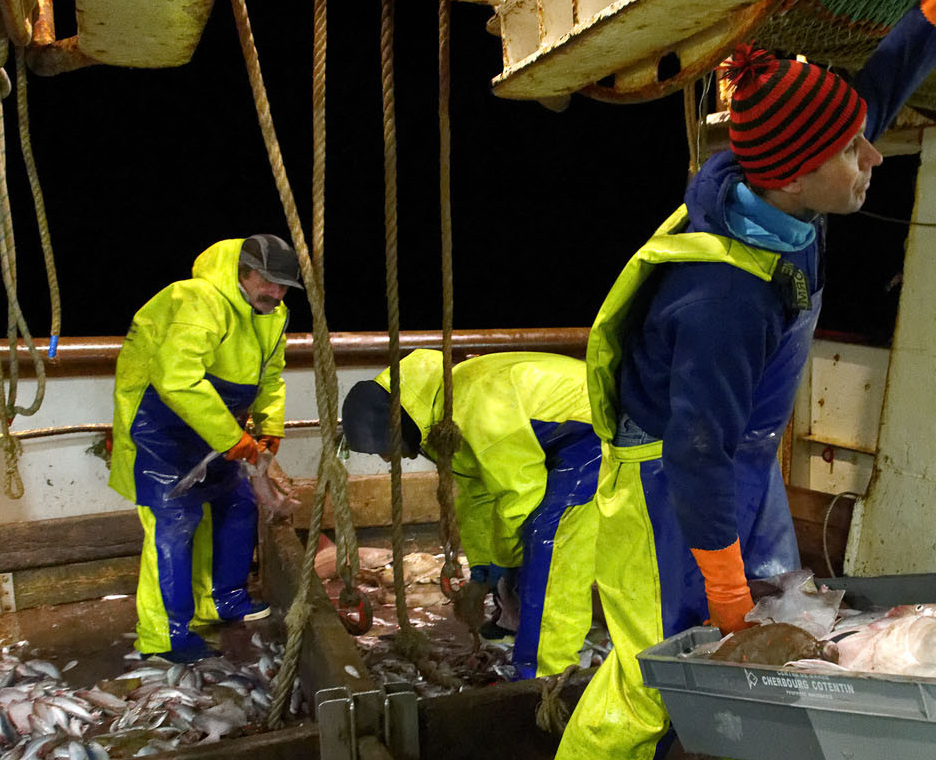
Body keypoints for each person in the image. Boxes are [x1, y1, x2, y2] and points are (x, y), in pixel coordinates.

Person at [520, 0, 936, 760]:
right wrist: (726, 589)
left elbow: (893, 71)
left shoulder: (799, 179)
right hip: (670, 483)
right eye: (852, 151)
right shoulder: (724, 298)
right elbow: (696, 454)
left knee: (785, 655)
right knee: (652, 672)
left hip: (743, 464)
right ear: (792, 175)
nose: (874, 156)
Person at [341, 349, 601, 679]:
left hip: (596, 429)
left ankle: (542, 675)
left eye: (384, 448)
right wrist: (481, 574)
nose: (384, 457)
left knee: (550, 538)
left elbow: (520, 495)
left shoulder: (477, 410)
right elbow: (477, 497)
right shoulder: (438, 421)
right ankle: (516, 618)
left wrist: (504, 565)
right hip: (556, 441)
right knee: (514, 540)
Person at [109, 235, 298, 663]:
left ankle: (224, 600)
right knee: (174, 524)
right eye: (268, 282)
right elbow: (176, 381)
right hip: (160, 428)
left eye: (285, 285)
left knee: (237, 504)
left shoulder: (274, 313)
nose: (277, 293)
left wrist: (270, 429)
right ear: (242, 272)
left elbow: (271, 377)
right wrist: (233, 439)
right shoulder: (197, 300)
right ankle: (166, 635)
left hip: (218, 427)